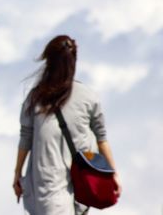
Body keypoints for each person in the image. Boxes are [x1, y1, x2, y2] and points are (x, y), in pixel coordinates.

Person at [13, 35, 122, 215]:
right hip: (83, 184)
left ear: (48, 62)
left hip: (49, 185)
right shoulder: (89, 97)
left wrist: (17, 173)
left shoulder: (35, 99)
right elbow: (102, 138)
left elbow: (26, 136)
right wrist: (113, 173)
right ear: (74, 62)